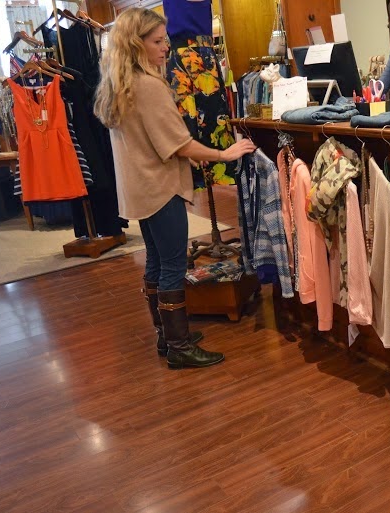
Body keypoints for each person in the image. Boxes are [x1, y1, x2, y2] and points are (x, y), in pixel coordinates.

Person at [94, 8, 256, 370]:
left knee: (156, 261)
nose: (166, 47)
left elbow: (152, 140)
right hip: (160, 187)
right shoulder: (149, 86)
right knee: (171, 265)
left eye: (165, 39)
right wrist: (223, 153)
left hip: (140, 187)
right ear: (136, 44)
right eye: (157, 41)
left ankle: (166, 337)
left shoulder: (118, 84)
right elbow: (179, 144)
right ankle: (179, 346)